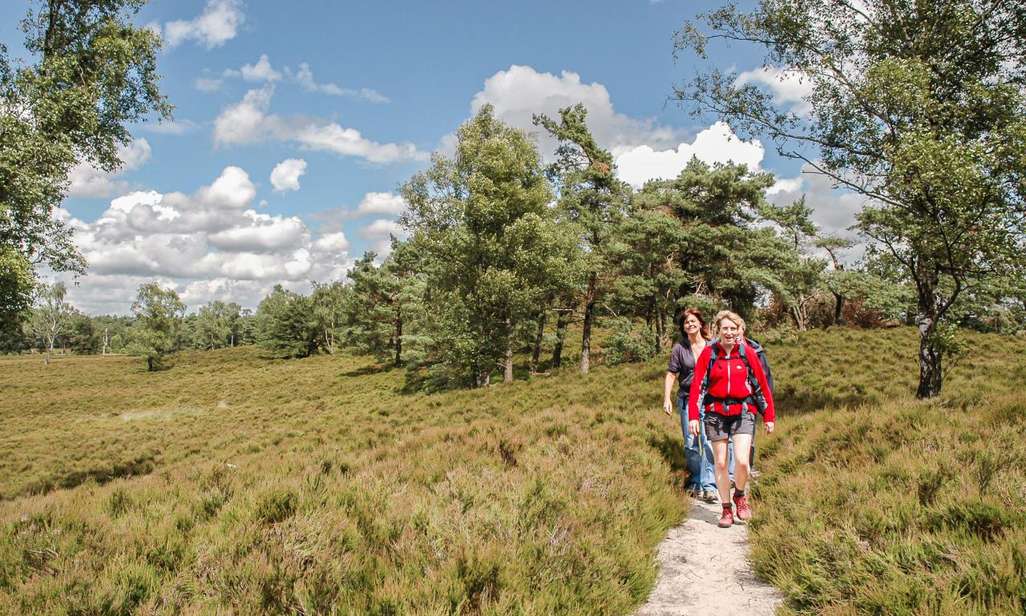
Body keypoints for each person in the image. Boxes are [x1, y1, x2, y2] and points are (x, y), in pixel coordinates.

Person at [688, 310, 775, 528]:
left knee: (743, 461)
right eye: (725, 328)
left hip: (743, 412)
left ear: (739, 331)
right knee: (720, 462)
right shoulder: (709, 354)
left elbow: (761, 385)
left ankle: (740, 495)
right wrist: (693, 417)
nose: (729, 332)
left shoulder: (747, 353)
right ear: (718, 330)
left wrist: (768, 415)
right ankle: (726, 508)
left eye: (733, 329)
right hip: (715, 414)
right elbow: (698, 386)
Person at [662, 308, 716, 502]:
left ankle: (710, 485)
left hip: (709, 402)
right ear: (683, 327)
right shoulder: (680, 348)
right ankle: (696, 480)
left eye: (693, 321)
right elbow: (671, 374)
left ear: (700, 324)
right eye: (686, 322)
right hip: (686, 399)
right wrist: (667, 398)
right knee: (691, 444)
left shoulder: (713, 346)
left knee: (709, 443)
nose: (690, 324)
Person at [728, 323, 774, 482]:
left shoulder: (756, 351)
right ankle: (732, 474)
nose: (734, 332)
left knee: (748, 438)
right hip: (726, 404)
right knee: (728, 440)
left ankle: (746, 468)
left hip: (750, 402)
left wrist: (767, 408)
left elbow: (765, 378)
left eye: (737, 328)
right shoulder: (720, 349)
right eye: (730, 329)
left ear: (742, 330)